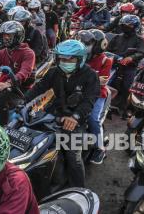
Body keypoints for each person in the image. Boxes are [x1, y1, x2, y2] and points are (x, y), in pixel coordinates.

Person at [24, 40, 100, 187]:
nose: (64, 62)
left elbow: (89, 101)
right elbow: (38, 88)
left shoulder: (90, 75)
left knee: (73, 156)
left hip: (76, 119)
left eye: (69, 59)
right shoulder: (54, 72)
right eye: (62, 58)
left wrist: (75, 117)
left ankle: (78, 191)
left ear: (80, 59)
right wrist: (23, 101)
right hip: (53, 114)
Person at [76, 30, 112, 164]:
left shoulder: (105, 61)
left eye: (88, 43)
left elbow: (102, 81)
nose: (84, 45)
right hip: (78, 91)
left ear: (98, 44)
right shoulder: (80, 56)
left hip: (97, 95)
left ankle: (100, 149)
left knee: (92, 119)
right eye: (84, 42)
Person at [107, 15, 144, 119]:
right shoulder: (117, 37)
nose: (126, 27)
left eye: (129, 25)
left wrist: (131, 58)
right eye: (124, 24)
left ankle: (125, 109)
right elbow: (107, 50)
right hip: (114, 65)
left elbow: (141, 52)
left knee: (127, 87)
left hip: (129, 67)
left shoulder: (139, 39)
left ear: (135, 26)